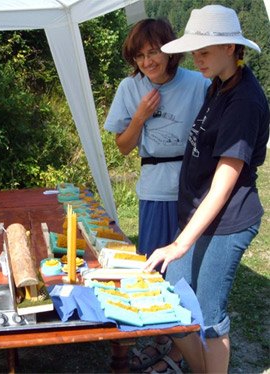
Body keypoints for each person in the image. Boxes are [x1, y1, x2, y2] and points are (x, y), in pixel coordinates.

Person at [144, 5, 269, 374]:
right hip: (201, 214)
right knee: (176, 301)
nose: (196, 59)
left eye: (204, 51)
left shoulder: (244, 101)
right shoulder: (220, 84)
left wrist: (180, 242)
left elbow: (225, 180)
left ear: (231, 47)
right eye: (194, 51)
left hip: (229, 220)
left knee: (210, 314)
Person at [104, 18, 210, 372]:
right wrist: (139, 118)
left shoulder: (197, 83)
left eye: (154, 52)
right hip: (153, 189)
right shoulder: (129, 89)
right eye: (139, 56)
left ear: (169, 51)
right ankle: (161, 339)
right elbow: (122, 147)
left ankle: (182, 351)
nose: (147, 62)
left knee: (186, 275)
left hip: (193, 189)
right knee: (153, 273)